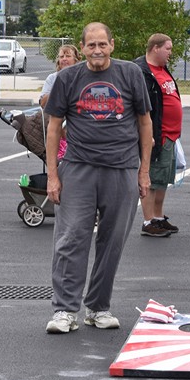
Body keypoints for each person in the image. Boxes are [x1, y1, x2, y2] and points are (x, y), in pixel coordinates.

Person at [43, 22, 152, 334]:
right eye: (91, 45)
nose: (97, 51)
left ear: (112, 45)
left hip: (122, 169)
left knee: (112, 241)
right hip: (78, 167)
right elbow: (53, 127)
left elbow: (145, 123)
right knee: (71, 238)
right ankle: (64, 310)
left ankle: (97, 307)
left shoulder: (131, 74)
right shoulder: (68, 78)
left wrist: (143, 171)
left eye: (102, 44)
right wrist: (53, 175)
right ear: (82, 47)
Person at [134, 33, 183, 238]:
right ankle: (148, 221)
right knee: (151, 179)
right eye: (168, 49)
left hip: (171, 135)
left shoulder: (162, 70)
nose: (171, 53)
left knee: (163, 179)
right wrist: (147, 134)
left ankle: (158, 217)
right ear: (155, 48)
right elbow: (140, 107)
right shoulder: (142, 72)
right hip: (157, 135)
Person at [39, 44, 81, 109]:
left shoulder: (82, 77)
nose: (64, 59)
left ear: (76, 60)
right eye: (61, 57)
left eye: (68, 56)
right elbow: (43, 103)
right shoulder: (52, 78)